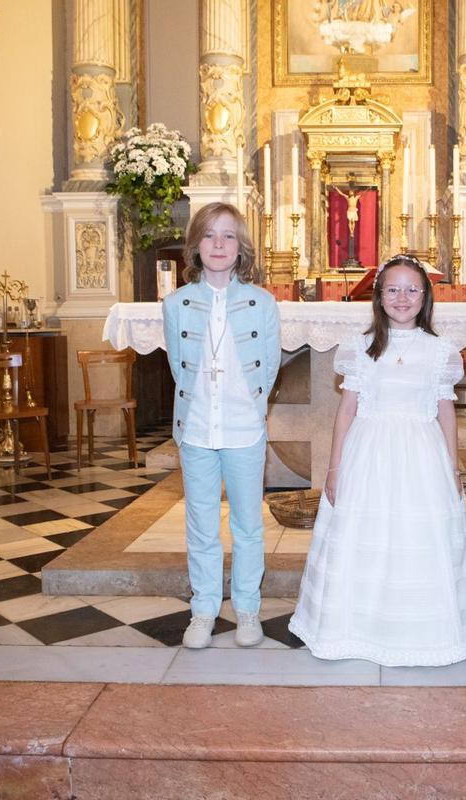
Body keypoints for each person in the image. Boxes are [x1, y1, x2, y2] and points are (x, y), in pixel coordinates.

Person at [289, 254, 466, 666]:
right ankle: (355, 630)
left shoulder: (440, 350)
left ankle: (420, 633)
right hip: (369, 453)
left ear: (425, 296)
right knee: (364, 539)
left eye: (412, 289)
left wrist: (452, 466)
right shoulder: (360, 348)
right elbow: (346, 411)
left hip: (422, 455)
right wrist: (335, 467)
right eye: (392, 289)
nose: (402, 297)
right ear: (378, 296)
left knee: (418, 540)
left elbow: (445, 409)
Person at [162, 202, 280, 649]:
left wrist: (246, 410)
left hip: (244, 427)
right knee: (201, 522)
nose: (218, 244)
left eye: (228, 236)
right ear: (196, 245)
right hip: (196, 429)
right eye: (209, 235)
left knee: (249, 524)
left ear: (240, 247)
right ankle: (205, 608)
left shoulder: (261, 303)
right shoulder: (176, 305)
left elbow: (268, 370)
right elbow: (178, 367)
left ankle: (247, 606)